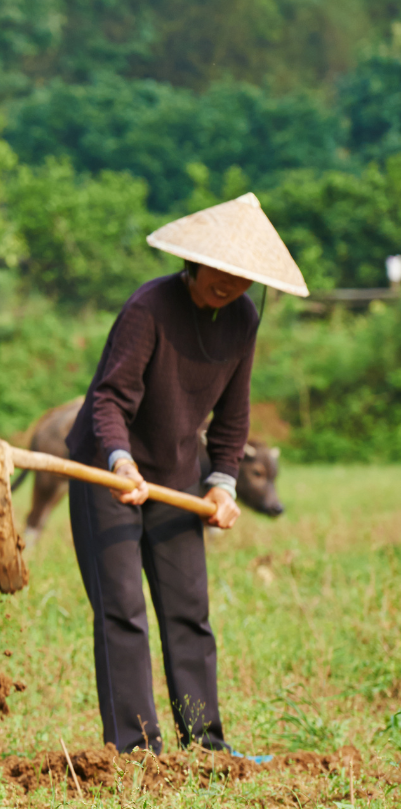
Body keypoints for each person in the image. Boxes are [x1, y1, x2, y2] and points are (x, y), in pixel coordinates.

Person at [65, 193, 307, 755]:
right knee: (121, 607)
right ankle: (136, 750)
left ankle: (204, 743)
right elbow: (109, 401)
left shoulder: (243, 319)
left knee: (188, 609)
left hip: (175, 474)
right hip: (108, 468)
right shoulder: (147, 309)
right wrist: (120, 463)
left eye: (242, 276)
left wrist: (222, 483)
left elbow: (233, 416)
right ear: (193, 262)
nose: (228, 283)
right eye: (219, 270)